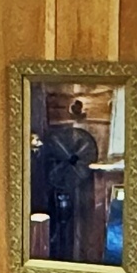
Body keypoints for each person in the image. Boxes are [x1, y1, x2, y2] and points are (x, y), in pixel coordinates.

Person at [35, 94, 103, 261]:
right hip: (58, 183)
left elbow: (78, 158)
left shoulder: (76, 159)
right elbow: (58, 152)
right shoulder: (56, 153)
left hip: (67, 180)